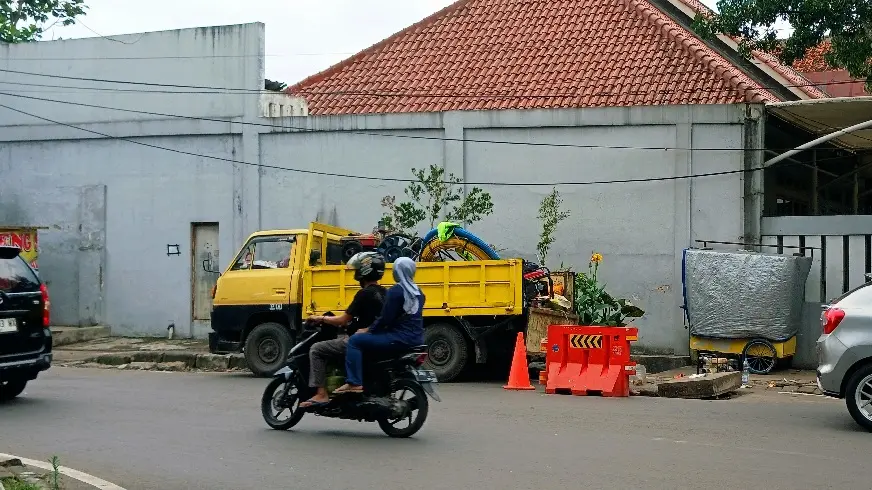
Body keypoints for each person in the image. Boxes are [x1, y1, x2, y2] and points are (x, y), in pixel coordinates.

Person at [299, 252, 387, 408]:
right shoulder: (384, 293)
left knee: (316, 349)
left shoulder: (364, 294)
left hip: (359, 341)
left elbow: (342, 319)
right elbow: (365, 319)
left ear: (364, 272)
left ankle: (321, 394)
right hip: (377, 340)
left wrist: (321, 318)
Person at [335, 257, 425, 394]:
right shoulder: (419, 293)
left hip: (398, 338)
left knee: (354, 341)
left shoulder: (396, 291)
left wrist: (368, 330)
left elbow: (385, 319)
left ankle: (354, 383)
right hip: (416, 339)